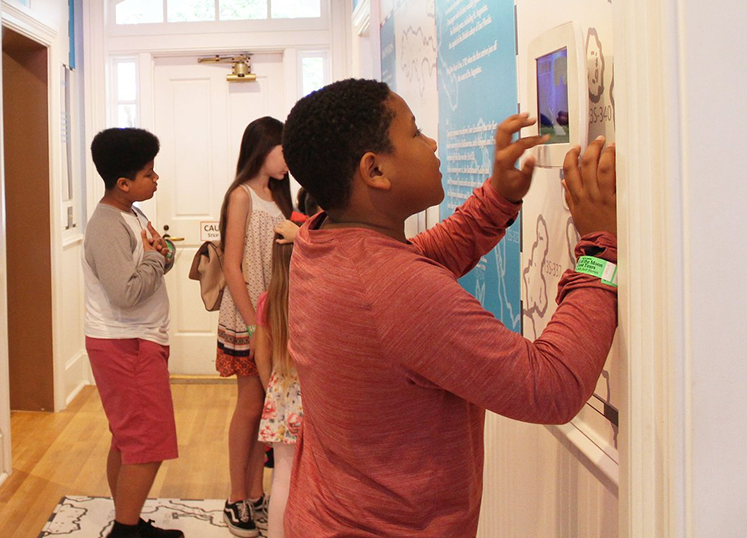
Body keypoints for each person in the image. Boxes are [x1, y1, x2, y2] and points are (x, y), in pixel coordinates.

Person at [280, 79, 618, 537]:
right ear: (374, 170)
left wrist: (498, 197)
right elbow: (551, 387)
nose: (432, 143)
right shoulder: (393, 288)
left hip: (325, 517)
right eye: (416, 133)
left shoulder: (320, 240)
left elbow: (418, 259)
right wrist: (601, 246)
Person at [84, 128, 184, 538]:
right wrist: (157, 259)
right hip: (125, 343)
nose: (156, 178)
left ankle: (130, 521)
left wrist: (161, 256)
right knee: (147, 443)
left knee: (128, 440)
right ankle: (126, 532)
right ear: (123, 183)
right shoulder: (107, 224)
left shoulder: (133, 213)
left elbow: (160, 255)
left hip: (138, 340)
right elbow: (125, 293)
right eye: (149, 173)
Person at [215, 116, 297, 537]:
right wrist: (252, 326)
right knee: (250, 407)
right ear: (262, 148)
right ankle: (235, 496)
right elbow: (232, 265)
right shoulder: (242, 195)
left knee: (268, 410)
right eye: (283, 149)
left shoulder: (282, 197)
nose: (288, 158)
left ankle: (255, 493)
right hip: (249, 319)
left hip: (275, 316)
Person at [252, 238, 301, 538]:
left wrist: (271, 388)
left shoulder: (267, 300)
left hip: (281, 393)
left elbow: (261, 354)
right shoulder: (315, 295)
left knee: (282, 477)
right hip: (314, 393)